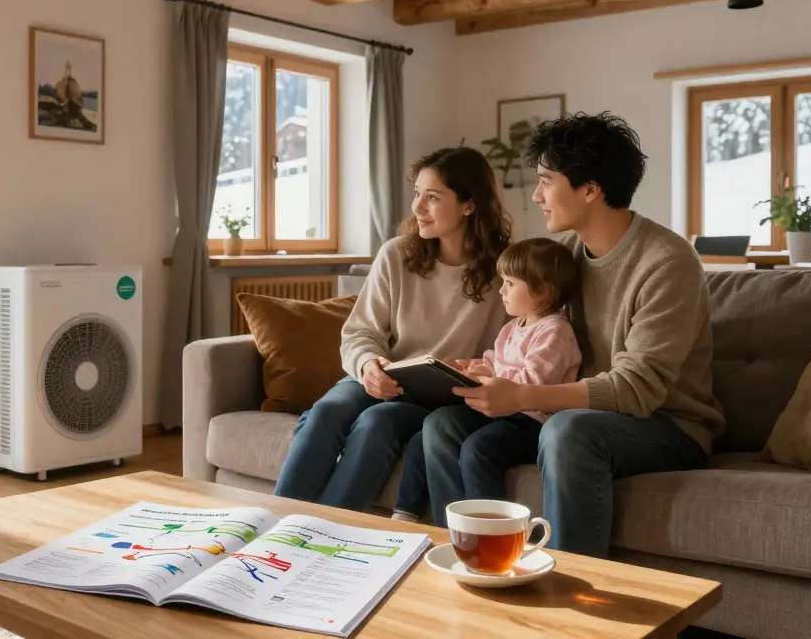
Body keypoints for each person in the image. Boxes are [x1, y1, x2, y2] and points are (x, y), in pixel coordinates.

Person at [422, 112, 725, 558]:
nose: (537, 195)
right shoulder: (564, 256)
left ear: (590, 189)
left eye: (546, 181)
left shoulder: (667, 263)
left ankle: (567, 590)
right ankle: (478, 559)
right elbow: (533, 339)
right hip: (576, 413)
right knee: (443, 425)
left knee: (569, 432)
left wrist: (522, 398)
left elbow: (637, 390)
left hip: (667, 424)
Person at [272, 146, 511, 511]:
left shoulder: (506, 271)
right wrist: (369, 366)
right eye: (418, 194)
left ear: (469, 204)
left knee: (376, 424)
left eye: (432, 197)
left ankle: (325, 532)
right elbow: (360, 332)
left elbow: (517, 348)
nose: (417, 207)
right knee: (326, 412)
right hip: (382, 378)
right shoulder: (397, 254)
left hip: (441, 399)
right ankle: (275, 526)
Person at [390, 238, 582, 523]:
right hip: (498, 411)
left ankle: (489, 528)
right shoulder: (511, 328)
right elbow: (494, 362)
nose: (502, 290)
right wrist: (471, 367)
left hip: (531, 421)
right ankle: (408, 513)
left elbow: (532, 382)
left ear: (543, 291)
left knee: (479, 449)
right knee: (430, 429)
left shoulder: (555, 331)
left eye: (510, 283)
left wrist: (486, 378)